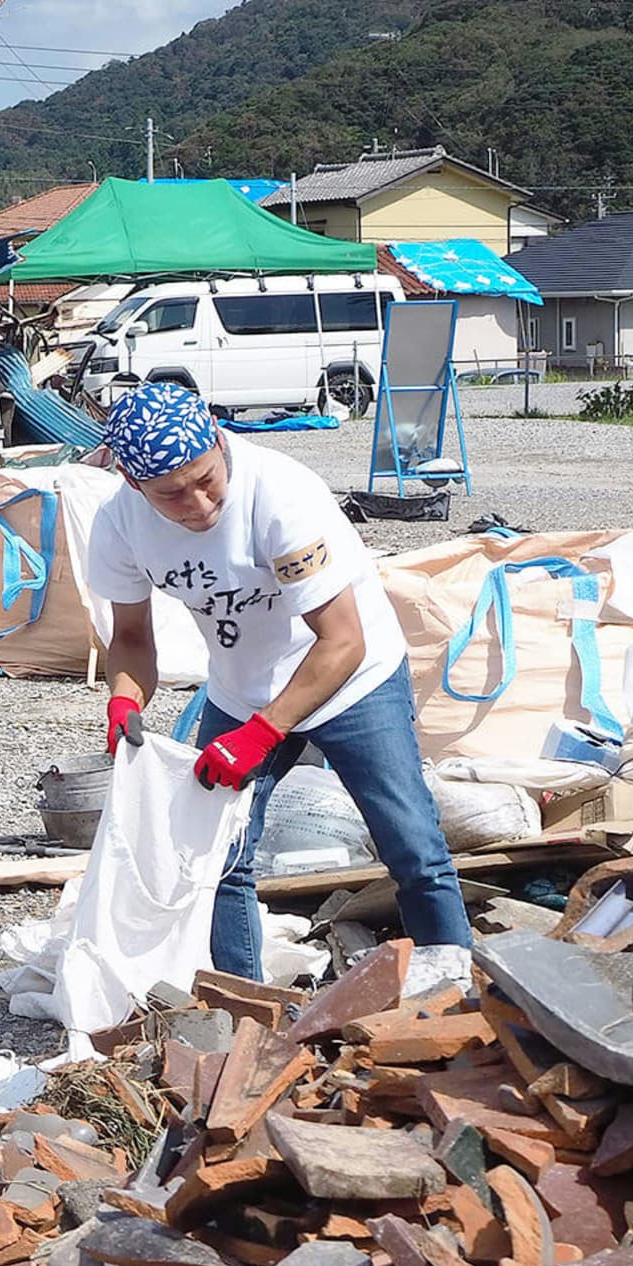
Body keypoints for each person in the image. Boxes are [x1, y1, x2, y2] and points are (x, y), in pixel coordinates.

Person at [85, 380, 471, 983]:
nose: (199, 503)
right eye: (172, 495)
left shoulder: (280, 495)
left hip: (351, 680)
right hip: (242, 691)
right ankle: (246, 1002)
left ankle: (451, 980)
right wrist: (124, 699)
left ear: (217, 437)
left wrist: (262, 735)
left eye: (206, 478)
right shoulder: (119, 525)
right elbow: (131, 637)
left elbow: (342, 640)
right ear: (135, 485)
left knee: (410, 841)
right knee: (217, 856)